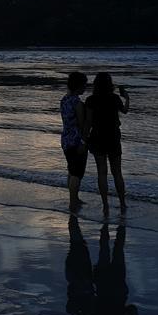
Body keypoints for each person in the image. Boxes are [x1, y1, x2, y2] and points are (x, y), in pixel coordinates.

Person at [85, 72, 129, 216]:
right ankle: (122, 203)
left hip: (97, 137)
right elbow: (125, 111)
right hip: (113, 137)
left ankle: (105, 205)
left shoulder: (91, 100)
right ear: (110, 84)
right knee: (117, 173)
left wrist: (84, 138)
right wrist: (127, 98)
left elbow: (88, 122)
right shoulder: (115, 98)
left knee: (102, 173)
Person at [60, 71, 89, 211]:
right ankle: (73, 201)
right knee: (77, 173)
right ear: (79, 85)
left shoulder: (64, 99)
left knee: (71, 171)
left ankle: (74, 198)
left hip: (66, 139)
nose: (86, 87)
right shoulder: (77, 103)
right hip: (76, 141)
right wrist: (83, 142)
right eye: (84, 84)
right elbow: (82, 125)